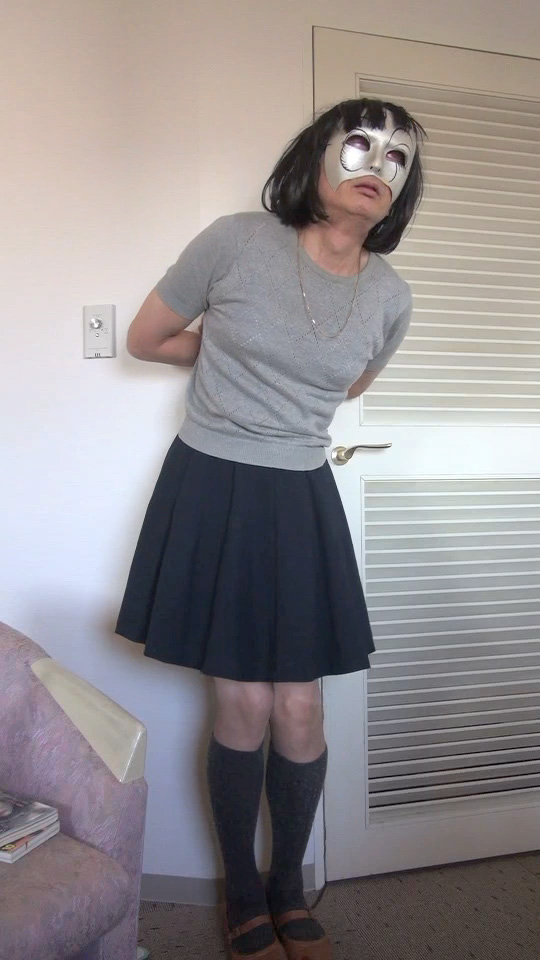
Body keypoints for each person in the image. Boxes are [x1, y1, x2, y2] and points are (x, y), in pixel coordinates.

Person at [116, 97, 425, 960]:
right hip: (213, 484)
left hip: (300, 496)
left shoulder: (391, 296)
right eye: (359, 145)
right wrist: (218, 351)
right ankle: (242, 894)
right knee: (243, 700)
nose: (378, 166)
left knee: (300, 705)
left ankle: (288, 886)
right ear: (315, 158)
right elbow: (147, 338)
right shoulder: (235, 242)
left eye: (397, 159)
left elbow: (348, 387)